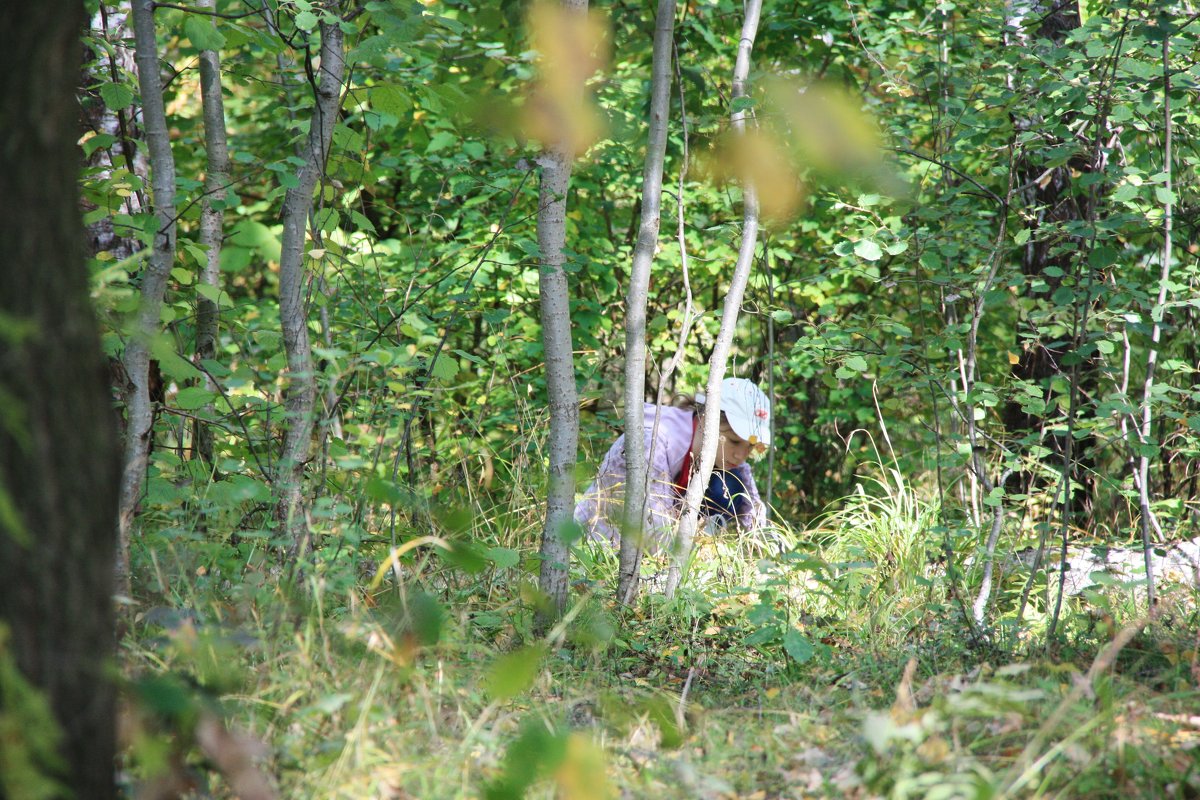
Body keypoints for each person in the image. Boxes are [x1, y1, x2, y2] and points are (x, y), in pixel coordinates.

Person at [574, 377, 771, 552]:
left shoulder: (726, 456)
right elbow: (652, 523)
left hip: (663, 540)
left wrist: (761, 553)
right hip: (600, 544)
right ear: (706, 419)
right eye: (735, 441)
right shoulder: (655, 440)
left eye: (750, 446)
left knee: (732, 485)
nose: (741, 455)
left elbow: (753, 511)